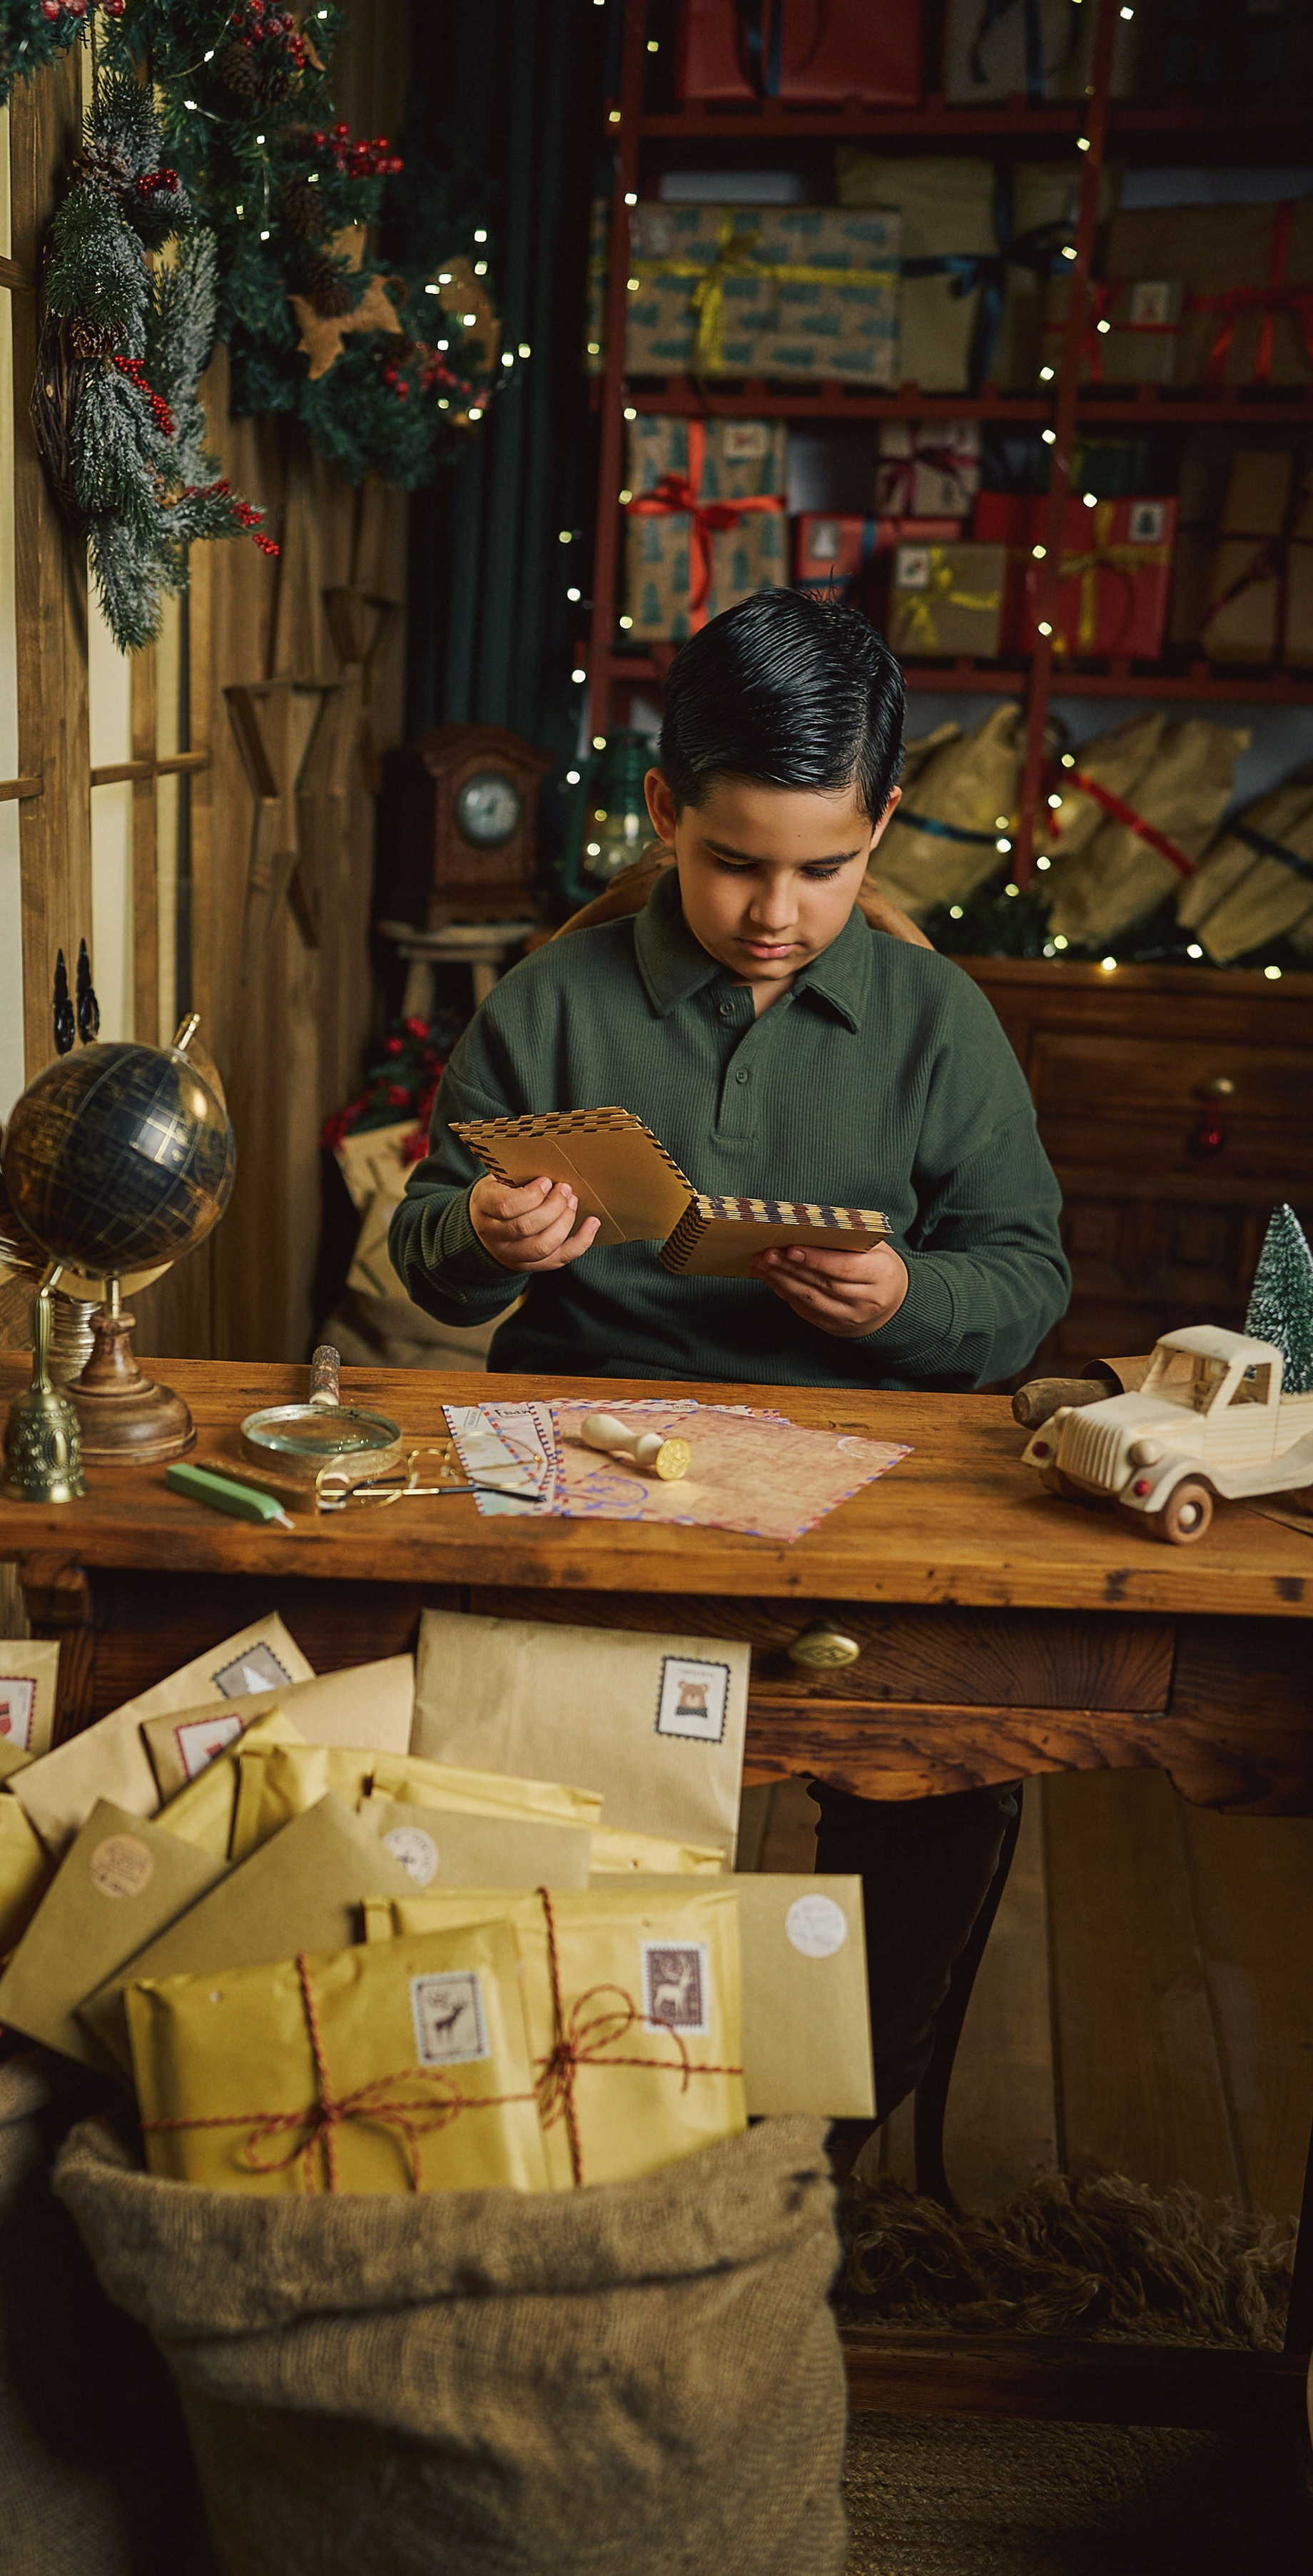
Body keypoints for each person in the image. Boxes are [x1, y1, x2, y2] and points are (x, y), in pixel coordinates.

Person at [388, 588, 1070, 2166]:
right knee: (529, 1778)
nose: (776, 910)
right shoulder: (551, 1005)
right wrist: (489, 1228)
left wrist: (902, 1297)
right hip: (577, 1465)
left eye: (824, 869)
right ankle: (570, 2112)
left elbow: (1021, 1288)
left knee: (948, 1781)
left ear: (882, 825)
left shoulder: (934, 1024)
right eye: (730, 862)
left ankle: (805, 2148)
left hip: (859, 1483)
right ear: (659, 813)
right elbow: (427, 1251)